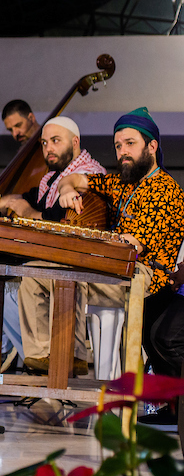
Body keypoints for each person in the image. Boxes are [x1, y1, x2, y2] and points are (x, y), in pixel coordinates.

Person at [18, 108, 184, 376]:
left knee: (72, 274)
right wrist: (67, 189)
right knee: (33, 273)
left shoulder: (165, 190)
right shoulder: (122, 183)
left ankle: (73, 355)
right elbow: (74, 178)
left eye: (130, 144)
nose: (122, 152)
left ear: (152, 146)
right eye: (118, 146)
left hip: (145, 277)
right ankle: (43, 355)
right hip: (114, 269)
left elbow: (133, 246)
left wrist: (90, 243)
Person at [0, 117, 105, 368]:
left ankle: (38, 359)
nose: (48, 148)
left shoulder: (88, 176)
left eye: (55, 141)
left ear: (75, 142)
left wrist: (28, 213)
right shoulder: (54, 178)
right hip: (42, 262)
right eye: (45, 143)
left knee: (6, 280)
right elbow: (24, 199)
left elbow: (55, 222)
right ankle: (3, 352)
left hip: (71, 273)